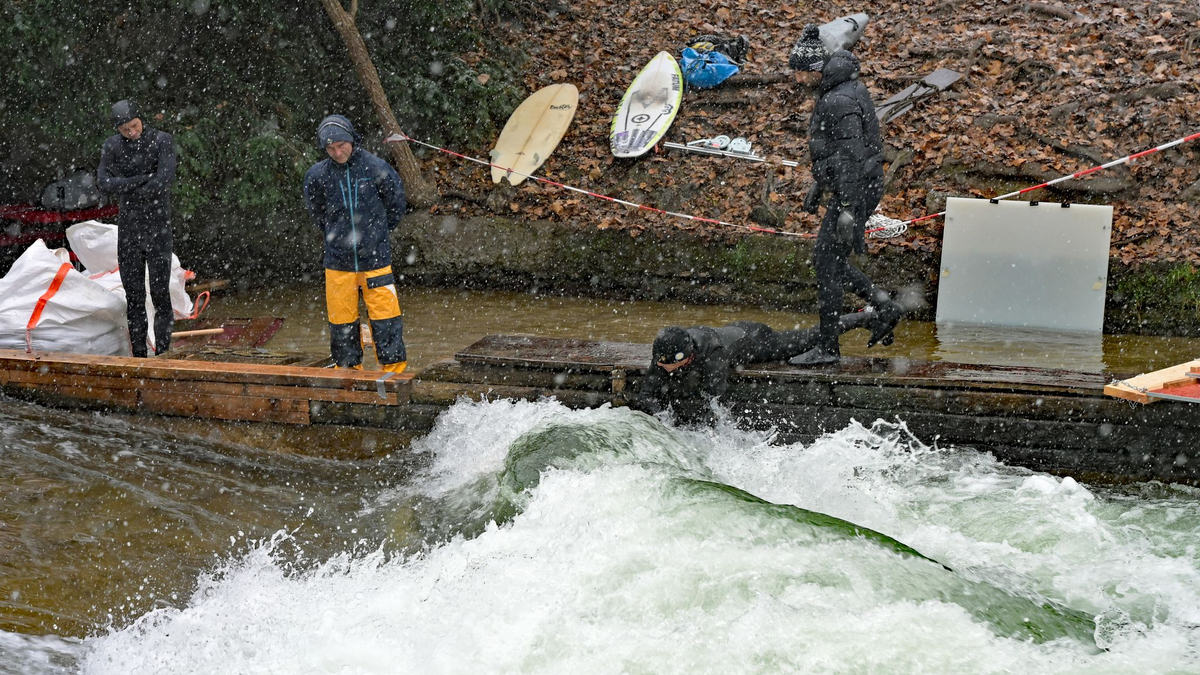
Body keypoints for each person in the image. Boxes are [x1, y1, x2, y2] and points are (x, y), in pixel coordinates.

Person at [789, 27, 905, 366]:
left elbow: (853, 158)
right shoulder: (842, 87)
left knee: (826, 263)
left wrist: (846, 208)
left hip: (855, 192)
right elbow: (838, 153)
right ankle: (885, 307)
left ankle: (828, 349)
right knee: (830, 260)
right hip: (853, 188)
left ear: (813, 69)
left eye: (798, 72)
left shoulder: (837, 100)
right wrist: (821, 185)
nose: (796, 79)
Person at [303, 115, 408, 373]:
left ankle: (393, 373)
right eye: (331, 149)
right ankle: (348, 372)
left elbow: (396, 205)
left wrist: (376, 235)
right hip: (337, 262)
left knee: (387, 318)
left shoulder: (376, 168)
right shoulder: (317, 175)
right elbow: (316, 213)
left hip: (376, 259)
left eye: (341, 145)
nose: (338, 152)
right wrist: (337, 236)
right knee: (341, 321)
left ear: (351, 139)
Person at [629, 314, 875, 421]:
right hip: (732, 330)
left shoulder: (714, 354)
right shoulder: (666, 350)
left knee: (809, 337)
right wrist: (663, 421)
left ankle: (865, 317)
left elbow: (714, 399)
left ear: (687, 356)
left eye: (668, 365)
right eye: (659, 363)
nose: (662, 368)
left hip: (757, 339)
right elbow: (648, 394)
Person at [97, 99, 178, 357]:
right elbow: (104, 183)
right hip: (130, 229)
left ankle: (164, 353)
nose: (131, 133)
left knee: (160, 294)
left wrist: (128, 184)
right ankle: (139, 355)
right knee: (134, 296)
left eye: (134, 126)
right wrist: (142, 179)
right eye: (125, 130)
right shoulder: (112, 146)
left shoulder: (162, 140)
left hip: (158, 227)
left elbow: (164, 180)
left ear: (141, 119)